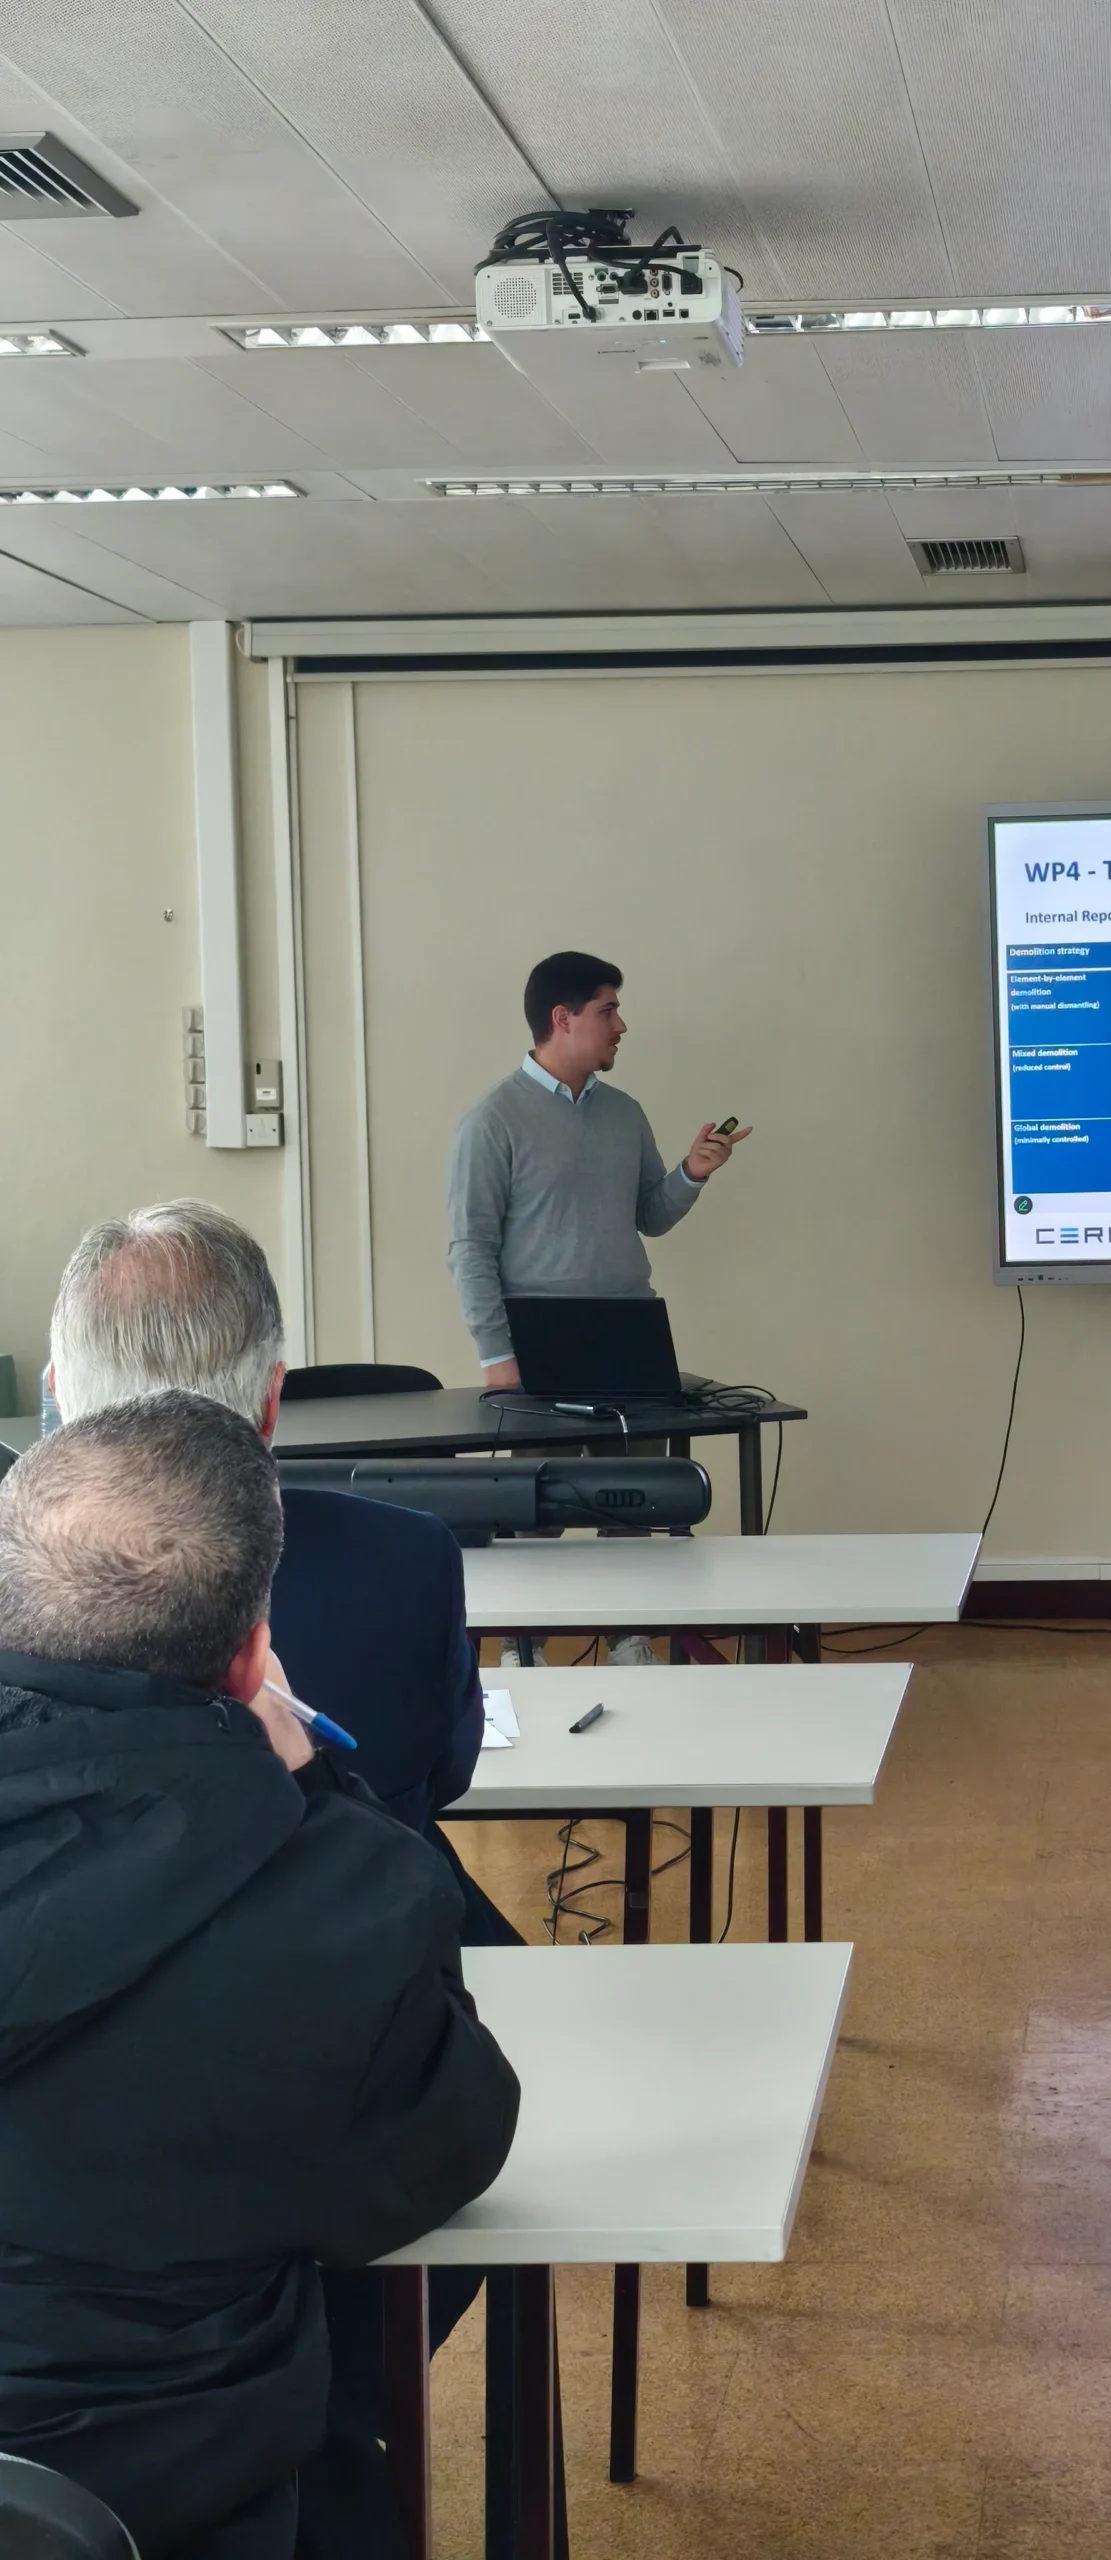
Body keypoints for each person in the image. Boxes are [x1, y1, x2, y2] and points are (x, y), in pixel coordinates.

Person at [0, 1392, 519, 2560]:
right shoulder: (338, 1903)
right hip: (185, 2507)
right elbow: (443, 2150)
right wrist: (317, 1787)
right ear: (251, 1656)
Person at [49, 1202, 490, 1852]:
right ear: (272, 1400)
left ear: (59, 1396)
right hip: (371, 1901)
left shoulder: (24, 1595)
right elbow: (447, 1775)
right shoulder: (409, 1558)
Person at [447, 949, 750, 1392]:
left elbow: (650, 1217)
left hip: (633, 1326)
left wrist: (692, 1172)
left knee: (663, 1443)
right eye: (607, 1011)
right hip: (539, 1333)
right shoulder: (492, 1120)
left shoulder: (625, 1112)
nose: (620, 1026)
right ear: (563, 1018)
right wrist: (496, 1355)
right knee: (549, 1446)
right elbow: (471, 1246)